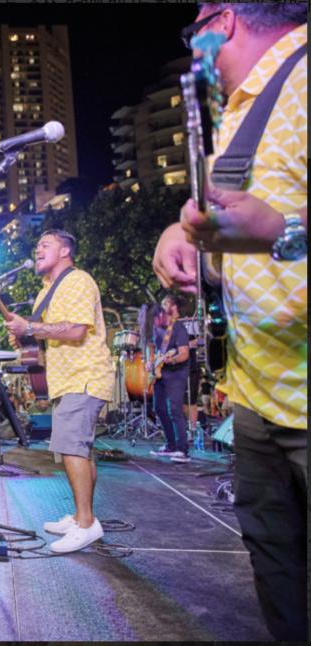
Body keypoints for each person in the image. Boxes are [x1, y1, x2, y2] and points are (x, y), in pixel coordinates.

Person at [153, 5, 306, 639]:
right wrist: (178, 235)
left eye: (195, 30)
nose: (193, 49)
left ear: (226, 19)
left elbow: (275, 225)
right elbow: (219, 214)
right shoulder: (241, 108)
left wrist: (282, 234)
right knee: (279, 573)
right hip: (255, 391)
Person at [4, 230, 114, 554]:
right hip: (66, 380)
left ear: (65, 250)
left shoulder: (78, 280)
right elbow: (42, 338)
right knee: (81, 450)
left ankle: (86, 523)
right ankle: (82, 516)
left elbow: (77, 329)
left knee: (71, 449)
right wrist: (24, 337)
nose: (37, 249)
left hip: (84, 376)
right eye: (36, 245)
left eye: (45, 245)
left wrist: (31, 328)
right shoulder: (44, 294)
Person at [140, 298, 192, 463]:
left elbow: (184, 353)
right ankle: (170, 446)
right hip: (160, 372)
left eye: (154, 321)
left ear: (160, 314)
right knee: (159, 408)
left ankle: (183, 451)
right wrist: (150, 361)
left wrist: (173, 360)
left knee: (174, 409)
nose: (154, 325)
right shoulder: (155, 329)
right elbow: (151, 347)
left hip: (176, 372)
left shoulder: (178, 327)